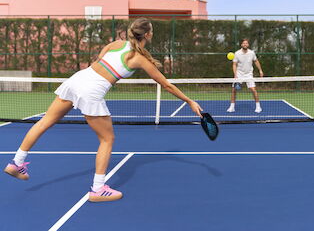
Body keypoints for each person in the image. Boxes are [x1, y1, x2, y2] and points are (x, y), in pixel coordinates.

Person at [3, 18, 202, 202]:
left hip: (77, 79)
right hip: (91, 90)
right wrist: (189, 101)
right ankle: (98, 189)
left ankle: (16, 162)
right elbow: (166, 85)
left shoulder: (117, 44)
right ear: (148, 35)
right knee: (107, 139)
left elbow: (100, 58)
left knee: (45, 121)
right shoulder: (139, 59)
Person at [226, 39, 264, 113]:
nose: (245, 44)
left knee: (253, 89)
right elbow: (234, 64)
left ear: (248, 45)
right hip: (239, 74)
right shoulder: (237, 53)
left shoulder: (252, 53)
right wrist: (235, 75)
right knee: (234, 90)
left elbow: (256, 61)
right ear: (241, 45)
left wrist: (260, 70)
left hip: (249, 74)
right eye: (244, 43)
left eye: (246, 43)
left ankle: (258, 106)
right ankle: (232, 107)